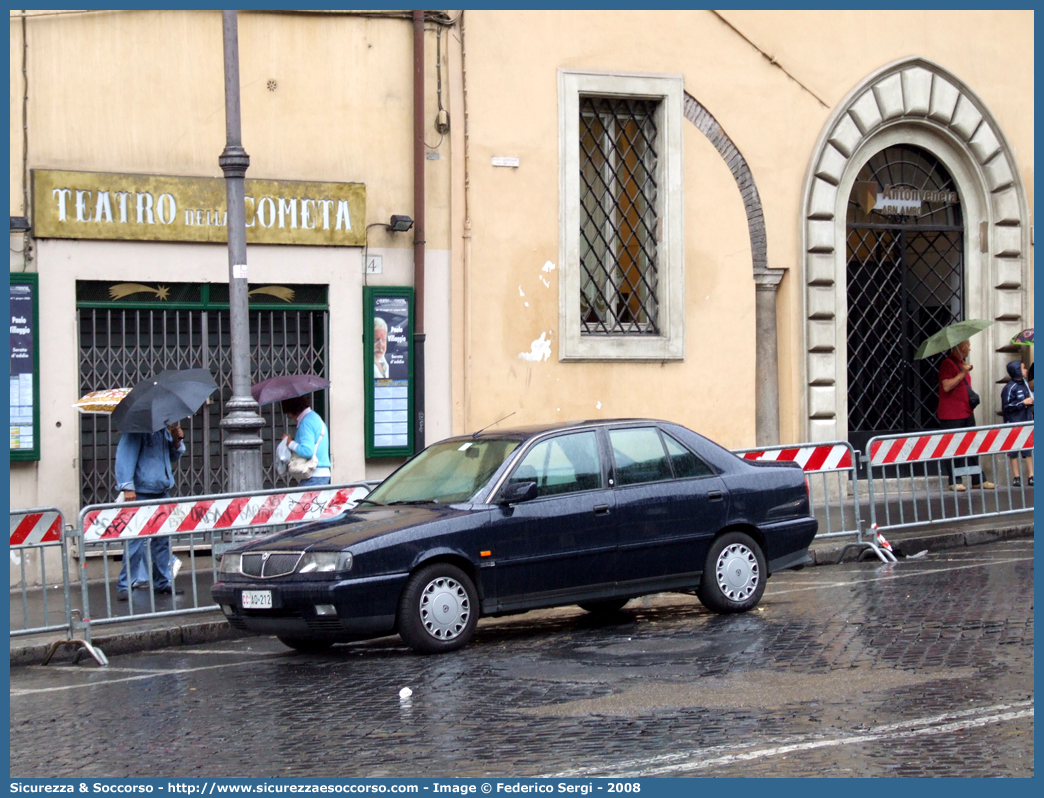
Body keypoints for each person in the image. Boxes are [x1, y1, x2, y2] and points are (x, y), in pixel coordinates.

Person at [114, 423, 185, 599]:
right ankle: (125, 585)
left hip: (161, 492)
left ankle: (163, 582)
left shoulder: (163, 430)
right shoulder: (137, 428)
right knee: (135, 543)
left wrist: (177, 441)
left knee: (162, 541)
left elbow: (172, 457)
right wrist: (127, 486)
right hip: (141, 493)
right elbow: (125, 455)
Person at [937, 339, 995, 491]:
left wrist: (964, 371)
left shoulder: (961, 363)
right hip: (952, 414)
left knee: (972, 446)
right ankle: (954, 481)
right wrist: (962, 372)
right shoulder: (948, 363)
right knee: (953, 447)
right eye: (968, 345)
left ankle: (978, 479)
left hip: (966, 412)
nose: (970, 349)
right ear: (961, 346)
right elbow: (946, 386)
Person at [280, 395, 331, 486]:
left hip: (314, 475)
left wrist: (290, 443)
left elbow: (307, 451)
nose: (291, 417)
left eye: (289, 415)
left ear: (292, 410)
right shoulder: (314, 417)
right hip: (320, 474)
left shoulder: (306, 422)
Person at [1001, 359, 1034, 486]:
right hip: (1014, 422)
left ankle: (1031, 475)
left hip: (1026, 420)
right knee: (1013, 450)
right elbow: (1007, 406)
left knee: (1028, 449)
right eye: (1023, 368)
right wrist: (1022, 403)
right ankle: (1016, 476)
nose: (1026, 370)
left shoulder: (1025, 384)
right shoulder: (1009, 388)